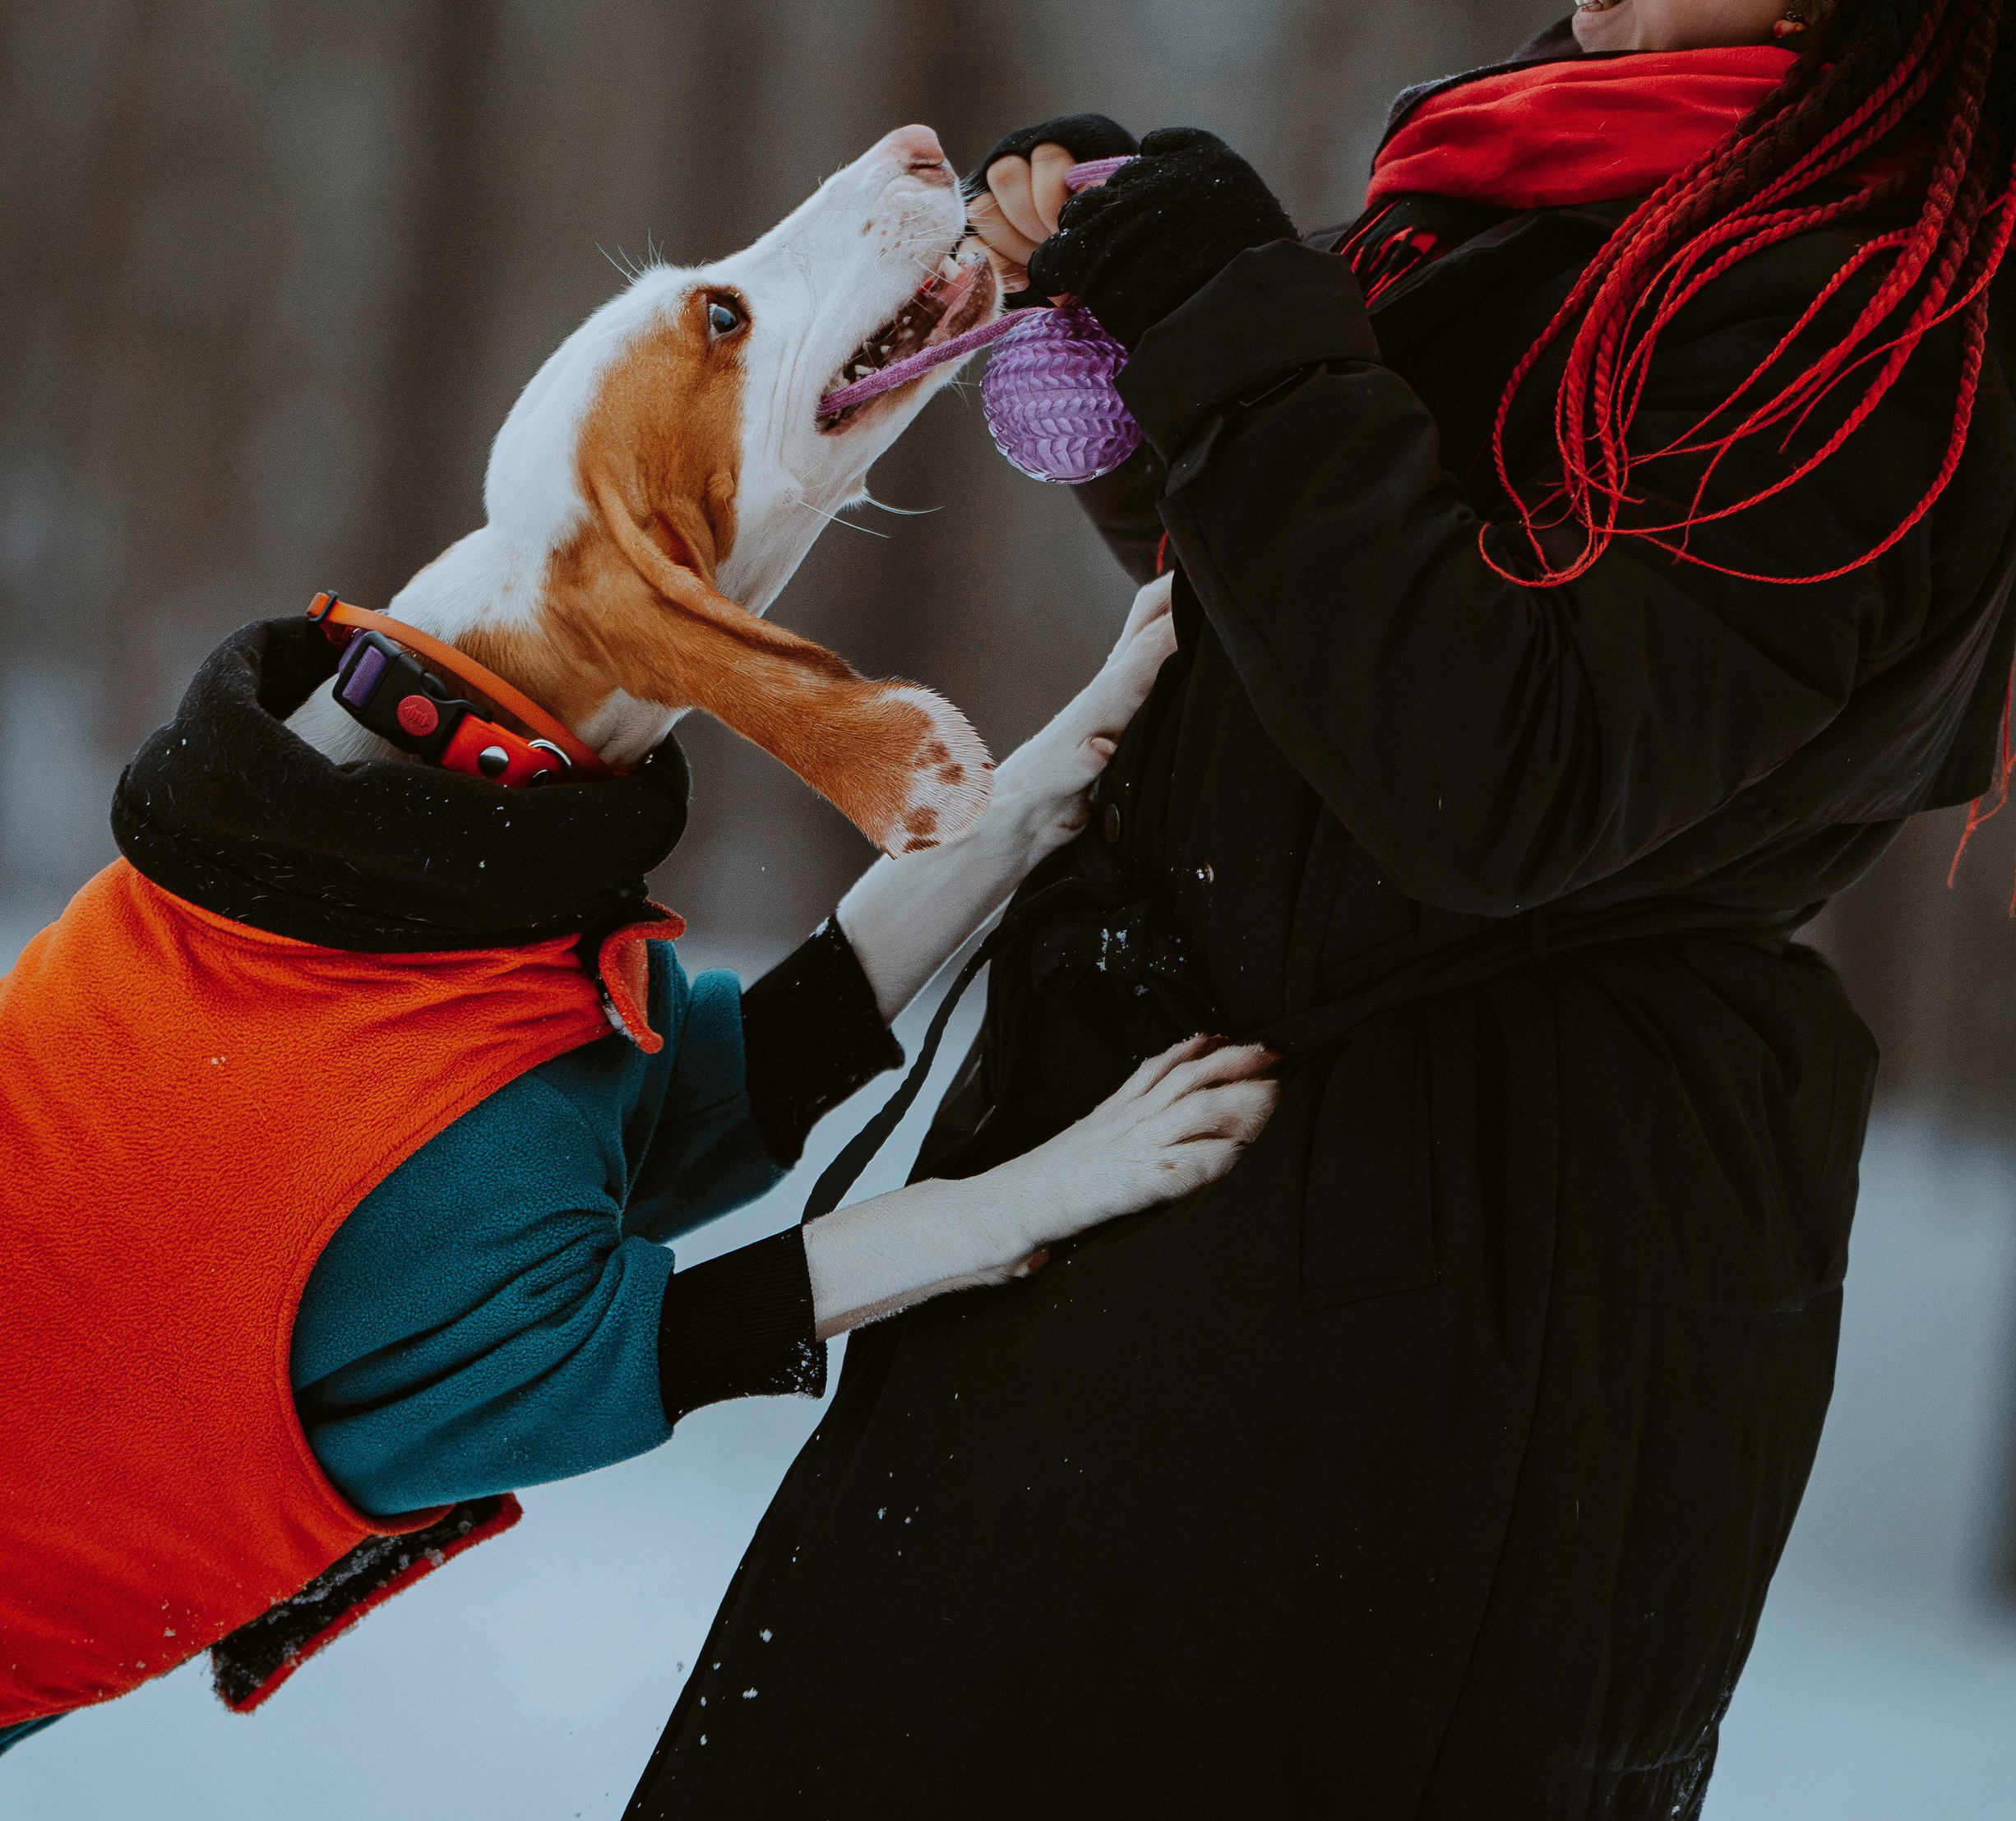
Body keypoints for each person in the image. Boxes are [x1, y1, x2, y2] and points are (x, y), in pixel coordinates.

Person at [573, 0, 2016, 1821]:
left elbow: (1488, 766)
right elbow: (1368, 644)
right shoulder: (1617, 187)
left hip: (1432, 1350)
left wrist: (1232, 324)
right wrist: (1148, 349)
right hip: (1228, 1244)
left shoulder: (1882, 340)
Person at [0, 585, 1274, 1758]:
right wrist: (1045, 1190)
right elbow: (672, 1341)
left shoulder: (428, 1060)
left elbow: (746, 1079)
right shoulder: (412, 1226)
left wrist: (1035, 794)